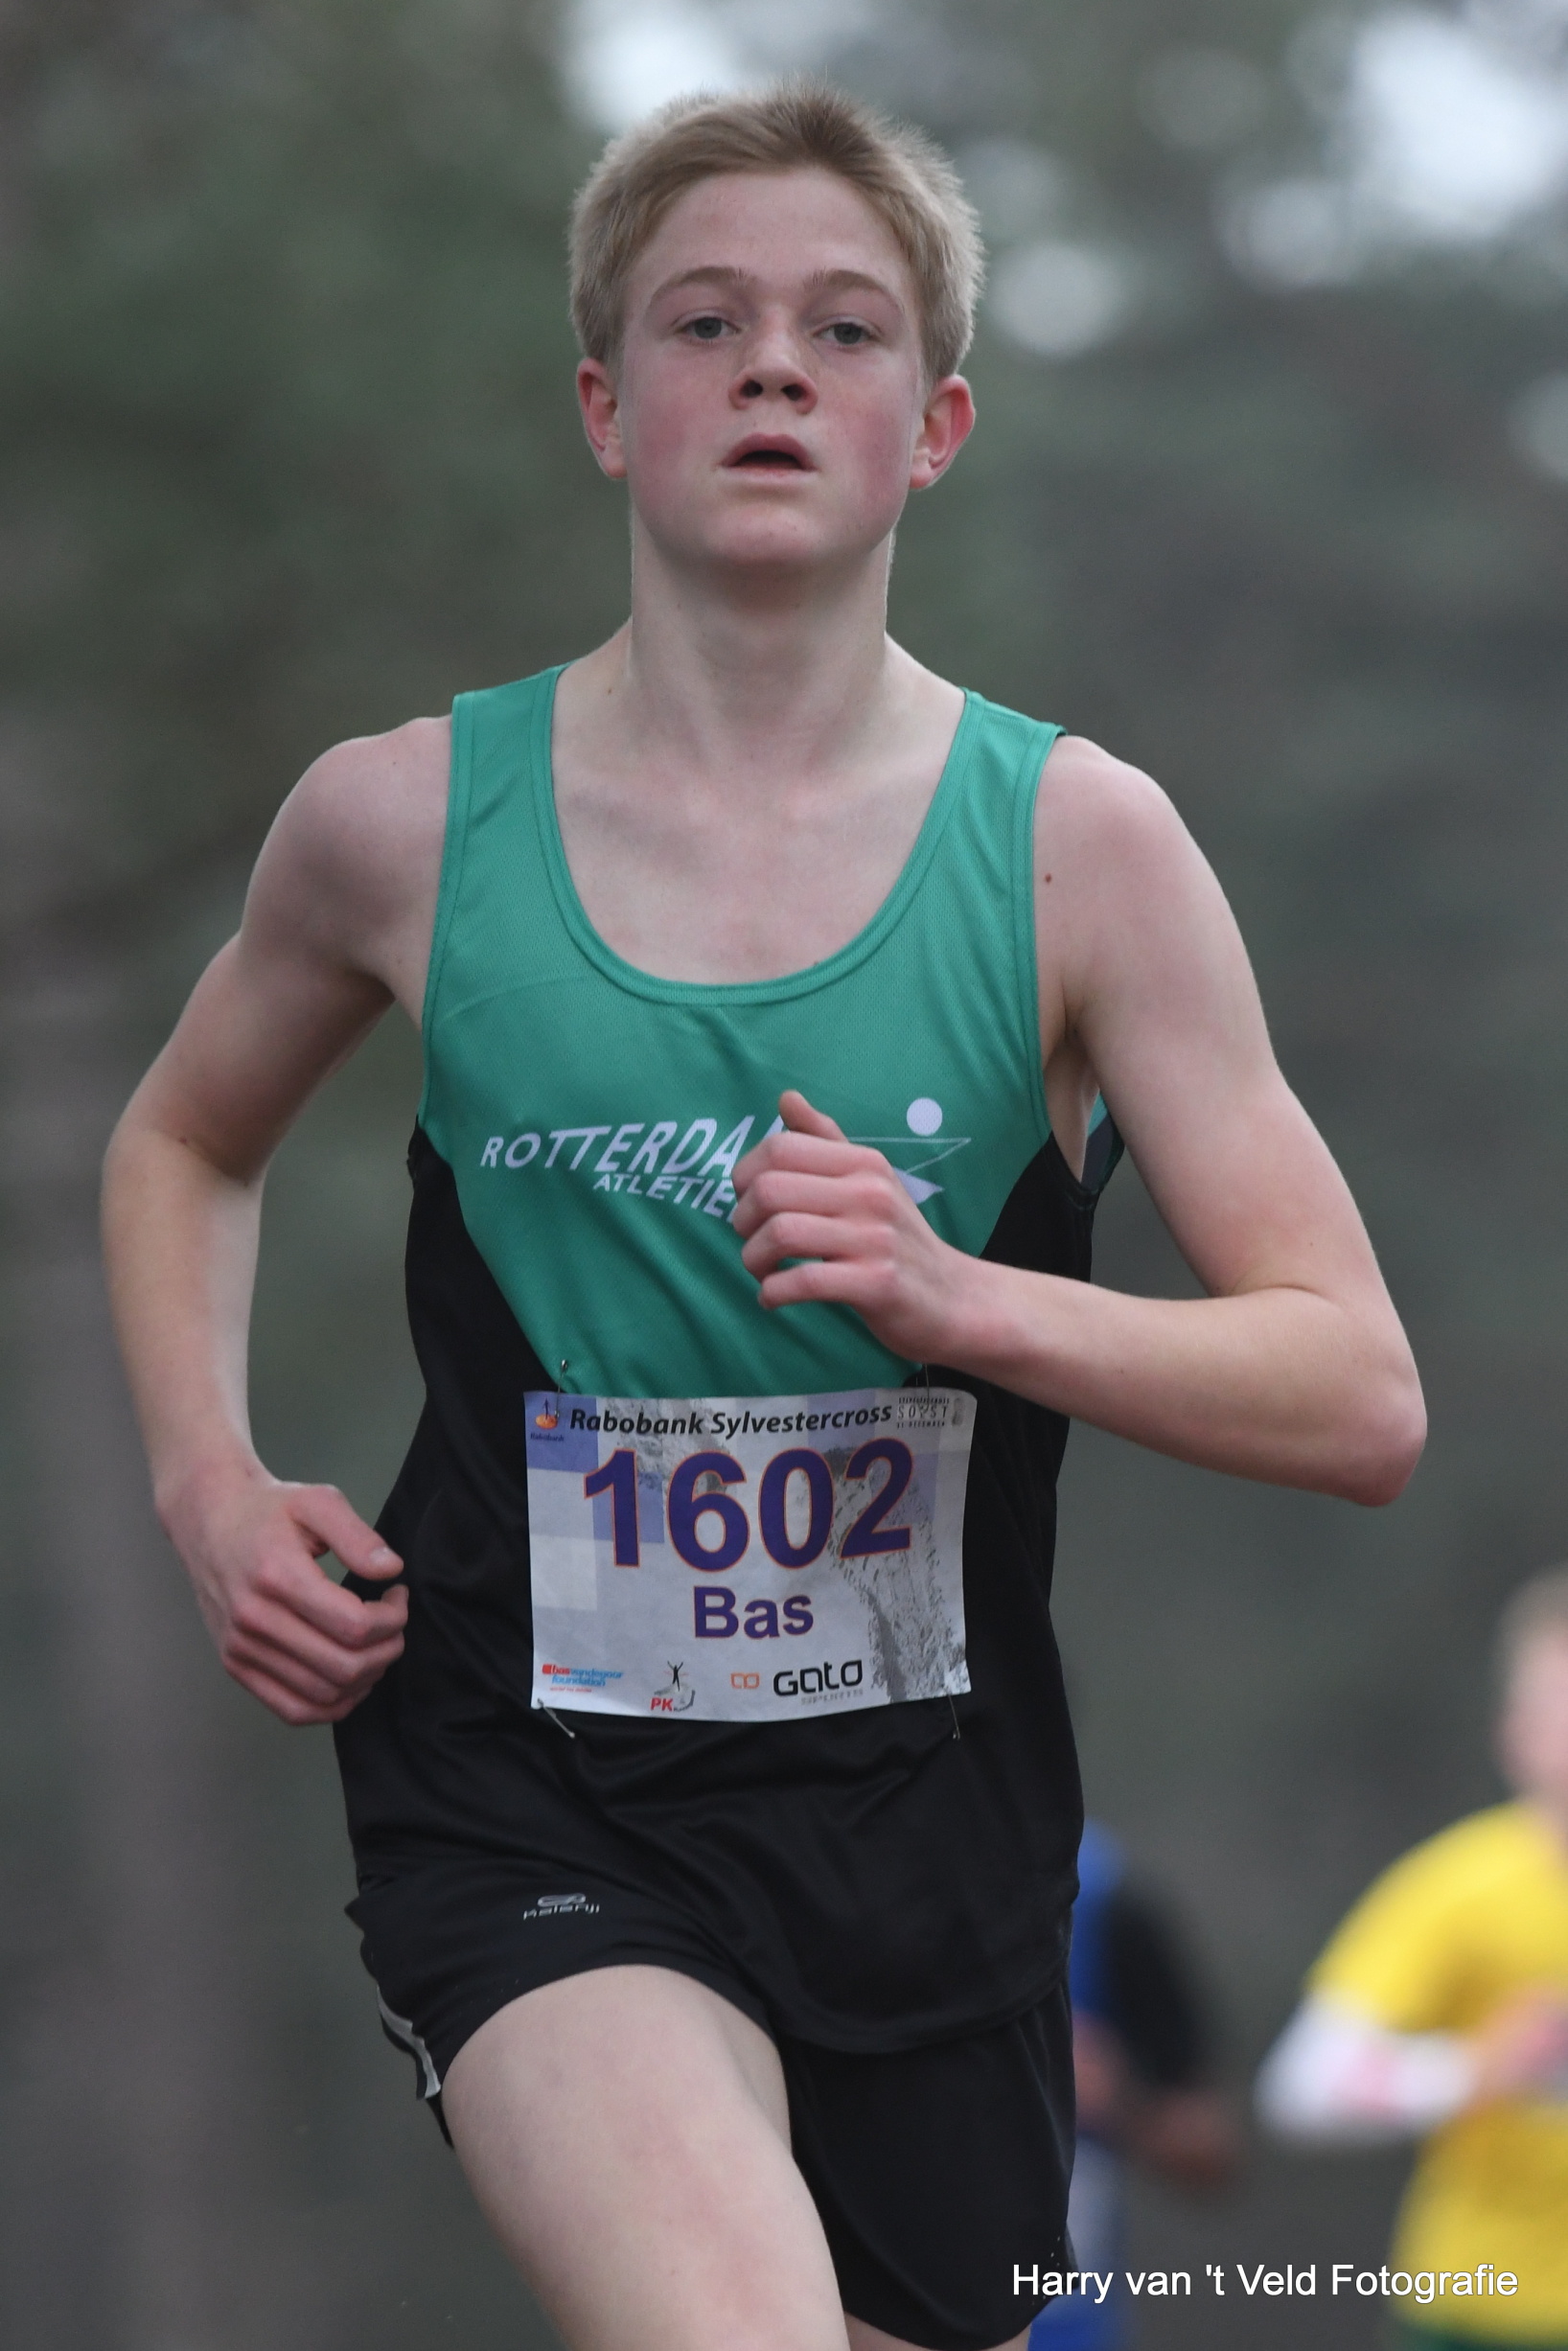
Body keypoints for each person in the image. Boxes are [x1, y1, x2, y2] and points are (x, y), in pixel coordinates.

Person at [102, 82, 1424, 2351]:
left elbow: (1352, 1388)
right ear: (605, 409)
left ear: (934, 425)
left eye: (842, 327)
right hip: (524, 1788)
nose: (773, 369)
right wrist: (205, 1477)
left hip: (933, 1841)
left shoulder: (1079, 850)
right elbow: (181, 1140)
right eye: (705, 323)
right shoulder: (397, 826)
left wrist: (953, 1291)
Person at [1257, 1569, 1568, 2349]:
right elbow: (1303, 2084)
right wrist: (1474, 2069)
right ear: (1514, 1733)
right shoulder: (1456, 1890)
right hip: (1475, 2312)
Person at [1030, 1823, 1241, 2351]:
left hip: (1062, 2321)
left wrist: (1113, 2097)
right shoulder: (853, 1883)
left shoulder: (1107, 1900)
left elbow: (1209, 2153)